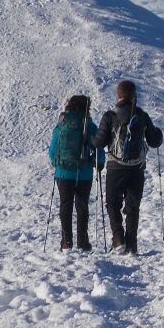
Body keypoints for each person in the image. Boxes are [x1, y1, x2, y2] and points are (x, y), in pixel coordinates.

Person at [92, 80, 163, 255]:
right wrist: (158, 134)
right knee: (133, 207)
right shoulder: (141, 115)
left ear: (118, 95)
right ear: (134, 95)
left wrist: (93, 139)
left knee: (113, 205)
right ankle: (132, 245)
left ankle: (118, 239)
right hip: (136, 169)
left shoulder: (110, 116)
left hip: (115, 167)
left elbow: (99, 142)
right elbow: (154, 141)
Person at [49, 95, 105, 251]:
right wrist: (99, 162)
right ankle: (83, 242)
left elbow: (53, 149)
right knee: (82, 206)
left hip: (63, 173)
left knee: (65, 206)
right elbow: (98, 146)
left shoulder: (62, 123)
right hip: (84, 173)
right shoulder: (90, 125)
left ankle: (66, 241)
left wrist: (56, 162)